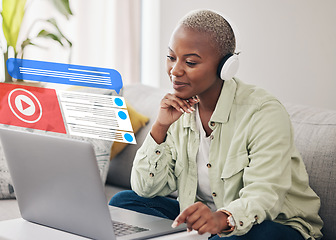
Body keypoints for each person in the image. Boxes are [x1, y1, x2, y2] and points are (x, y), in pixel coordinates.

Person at [109, 9, 323, 240]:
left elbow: (264, 195)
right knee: (122, 203)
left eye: (190, 62)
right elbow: (145, 188)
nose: (175, 71)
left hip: (273, 223)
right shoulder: (180, 111)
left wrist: (220, 219)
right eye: (171, 57)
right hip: (207, 224)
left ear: (226, 66)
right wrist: (160, 127)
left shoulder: (263, 112)